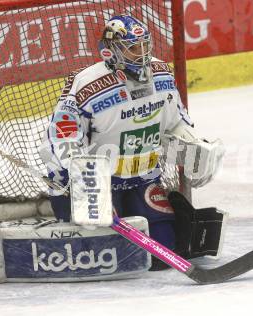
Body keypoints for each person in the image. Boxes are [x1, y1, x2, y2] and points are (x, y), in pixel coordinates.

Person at [39, 15, 225, 270]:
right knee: (105, 257)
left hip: (144, 178)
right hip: (98, 184)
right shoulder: (87, 84)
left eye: (145, 45)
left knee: (163, 253)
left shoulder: (160, 74)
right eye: (133, 48)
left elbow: (176, 122)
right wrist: (80, 178)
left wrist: (196, 147)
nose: (142, 54)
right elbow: (62, 134)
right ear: (111, 50)